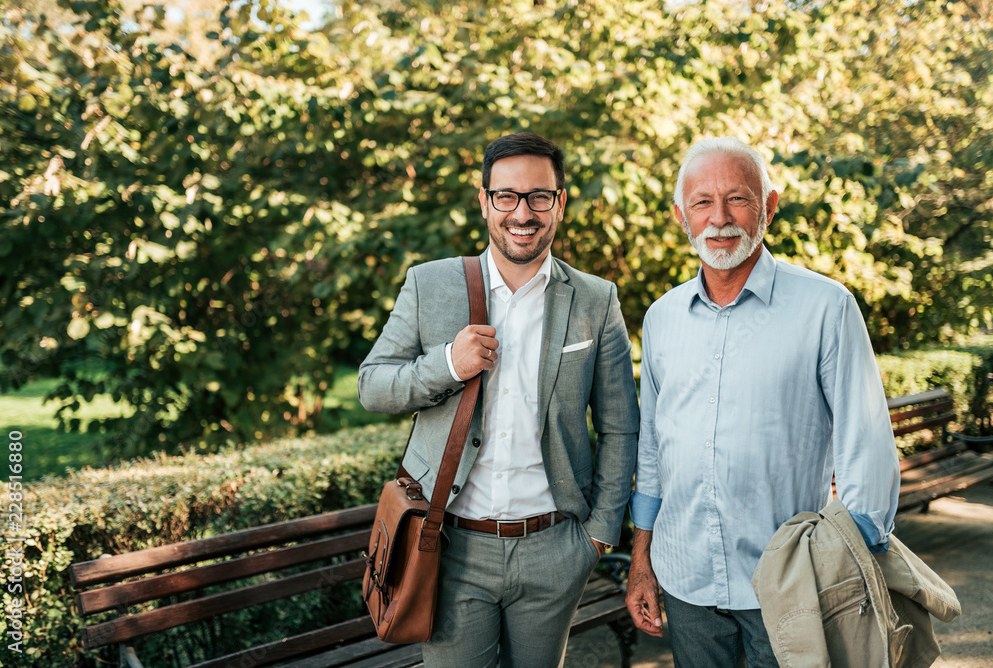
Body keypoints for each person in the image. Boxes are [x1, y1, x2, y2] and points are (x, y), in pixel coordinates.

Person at [359, 131, 639, 668]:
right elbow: (372, 386)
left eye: (539, 196)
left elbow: (620, 427)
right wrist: (446, 364)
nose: (522, 212)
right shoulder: (430, 285)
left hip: (555, 549)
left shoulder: (596, 300)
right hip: (451, 546)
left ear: (559, 203)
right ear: (485, 201)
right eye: (507, 196)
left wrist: (599, 534)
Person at [625, 137, 900, 667]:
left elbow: (865, 444)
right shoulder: (661, 318)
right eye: (702, 202)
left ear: (768, 207)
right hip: (687, 581)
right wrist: (643, 558)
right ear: (682, 216)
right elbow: (653, 450)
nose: (720, 218)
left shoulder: (826, 307)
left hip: (791, 585)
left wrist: (850, 565)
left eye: (738, 199)